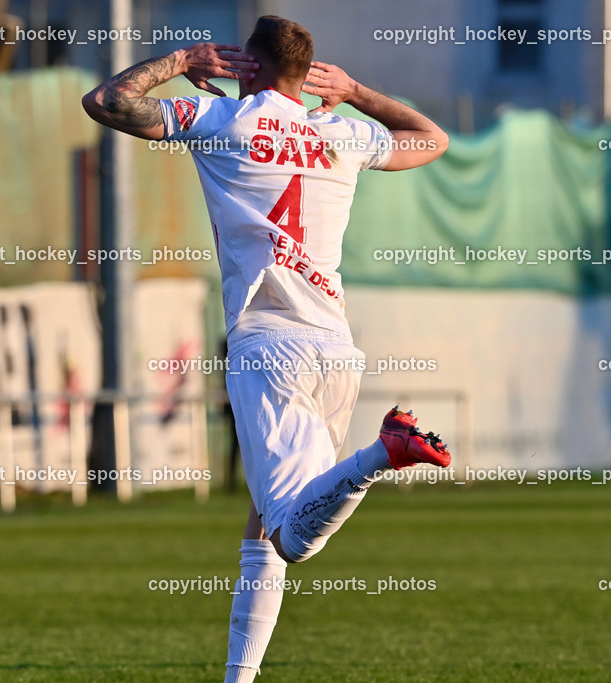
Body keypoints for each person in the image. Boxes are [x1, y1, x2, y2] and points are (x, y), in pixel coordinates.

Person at [83, 15, 451, 681]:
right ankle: (239, 676)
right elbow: (432, 139)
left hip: (265, 346)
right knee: (264, 528)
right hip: (334, 349)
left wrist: (180, 59)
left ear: (247, 65)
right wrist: (359, 91)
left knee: (289, 534)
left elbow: (106, 102)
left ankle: (383, 452)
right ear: (310, 76)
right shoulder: (338, 131)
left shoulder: (222, 122)